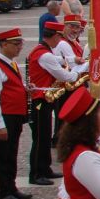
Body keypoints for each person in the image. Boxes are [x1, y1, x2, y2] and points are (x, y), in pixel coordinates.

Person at [28, 21, 77, 186]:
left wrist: (72, 59)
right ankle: (36, 173)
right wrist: (77, 74)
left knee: (45, 134)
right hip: (40, 100)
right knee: (40, 137)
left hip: (44, 99)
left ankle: (45, 168)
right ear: (55, 36)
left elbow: (58, 59)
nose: (60, 41)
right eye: (59, 37)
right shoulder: (45, 54)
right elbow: (62, 75)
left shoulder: (42, 50)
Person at [0, 28, 29, 199]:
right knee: (2, 156)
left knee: (11, 153)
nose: (20, 47)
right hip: (4, 117)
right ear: (4, 44)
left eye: (21, 43)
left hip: (14, 116)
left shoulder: (11, 64)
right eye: (16, 44)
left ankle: (11, 187)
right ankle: (2, 191)